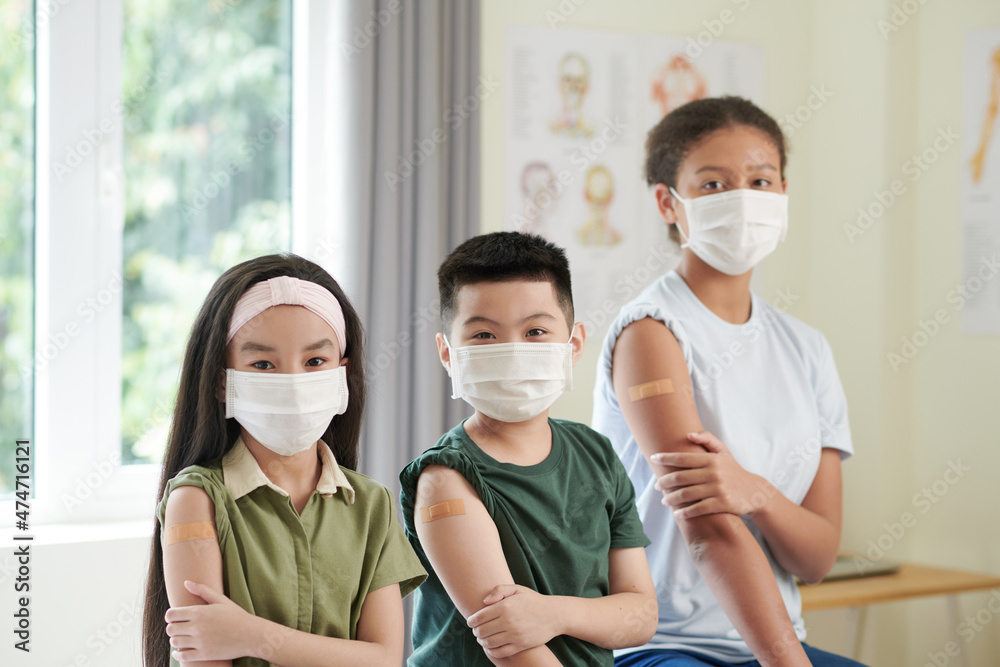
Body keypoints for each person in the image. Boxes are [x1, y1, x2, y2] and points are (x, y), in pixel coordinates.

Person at [592, 97, 865, 667]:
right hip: (663, 644)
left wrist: (755, 491)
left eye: (760, 180)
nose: (743, 198)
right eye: (714, 184)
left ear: (783, 193)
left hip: (773, 640)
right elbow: (707, 530)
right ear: (669, 202)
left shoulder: (807, 348)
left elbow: (815, 559)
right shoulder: (651, 332)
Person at [141, 253, 426, 667]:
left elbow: (383, 659)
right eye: (262, 364)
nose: (293, 383)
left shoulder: (373, 505)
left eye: (314, 362)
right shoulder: (195, 500)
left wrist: (251, 636)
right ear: (223, 382)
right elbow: (204, 655)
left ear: (341, 375)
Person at [399, 232, 657, 666]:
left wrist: (550, 613)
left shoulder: (597, 454)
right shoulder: (444, 478)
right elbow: (512, 646)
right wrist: (577, 617)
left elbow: (641, 614)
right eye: (483, 335)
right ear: (448, 354)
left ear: (572, 345)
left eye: (535, 330)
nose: (513, 351)